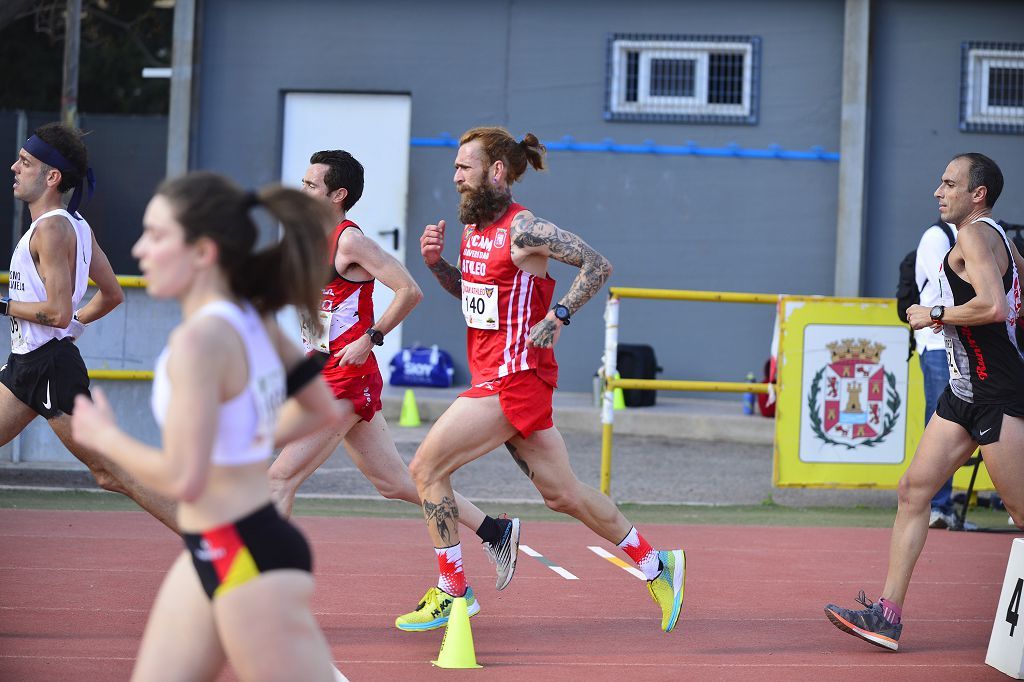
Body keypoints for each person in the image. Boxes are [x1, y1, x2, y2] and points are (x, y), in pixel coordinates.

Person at [400, 126, 686, 633]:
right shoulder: (473, 231)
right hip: (496, 375)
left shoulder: (525, 229)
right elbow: (473, 296)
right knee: (563, 495)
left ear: (496, 172)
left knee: (425, 469)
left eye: (464, 167)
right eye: (454, 168)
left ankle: (454, 591)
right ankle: (656, 564)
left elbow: (597, 265)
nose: (456, 177)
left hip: (513, 380)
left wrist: (560, 315)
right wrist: (436, 265)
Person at [70, 172, 345, 680]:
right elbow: (320, 409)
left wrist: (107, 439)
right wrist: (242, 438)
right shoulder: (253, 318)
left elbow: (184, 478)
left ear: (202, 252)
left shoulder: (199, 343)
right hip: (214, 548)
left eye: (156, 235)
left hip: (245, 556)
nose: (138, 248)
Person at [267, 150, 521, 604]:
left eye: (310, 186)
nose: (300, 192)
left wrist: (371, 336)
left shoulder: (349, 242)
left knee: (280, 477)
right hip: (326, 373)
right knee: (396, 484)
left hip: (346, 379)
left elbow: (410, 289)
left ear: (337, 195)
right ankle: (495, 530)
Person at [825, 153, 1024, 651]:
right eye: (940, 182)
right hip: (964, 392)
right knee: (914, 491)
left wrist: (933, 313)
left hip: (997, 393)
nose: (939, 191)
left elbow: (996, 306)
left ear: (978, 194)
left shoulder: (977, 235)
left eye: (949, 183)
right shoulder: (998, 238)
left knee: (1022, 514)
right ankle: (887, 616)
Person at [2, 122, 176, 530]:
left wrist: (10, 307)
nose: (14, 167)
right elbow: (112, 295)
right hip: (27, 366)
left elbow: (57, 312)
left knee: (111, 473)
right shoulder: (76, 225)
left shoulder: (54, 228)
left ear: (52, 176)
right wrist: (69, 326)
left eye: (24, 162)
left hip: (50, 370)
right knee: (111, 473)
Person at [911, 218, 963, 529]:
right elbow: (949, 288)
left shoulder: (985, 234)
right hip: (937, 344)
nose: (940, 193)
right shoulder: (936, 236)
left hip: (972, 344)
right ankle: (937, 506)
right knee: (941, 423)